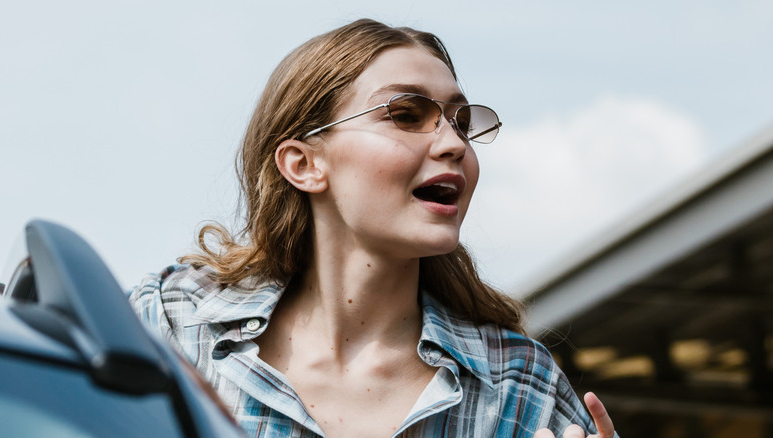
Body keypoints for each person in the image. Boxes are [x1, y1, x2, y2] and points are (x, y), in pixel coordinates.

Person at [129, 18, 618, 438]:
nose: (453, 142)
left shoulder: (518, 384)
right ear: (303, 163)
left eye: (461, 122)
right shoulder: (169, 324)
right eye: (406, 115)